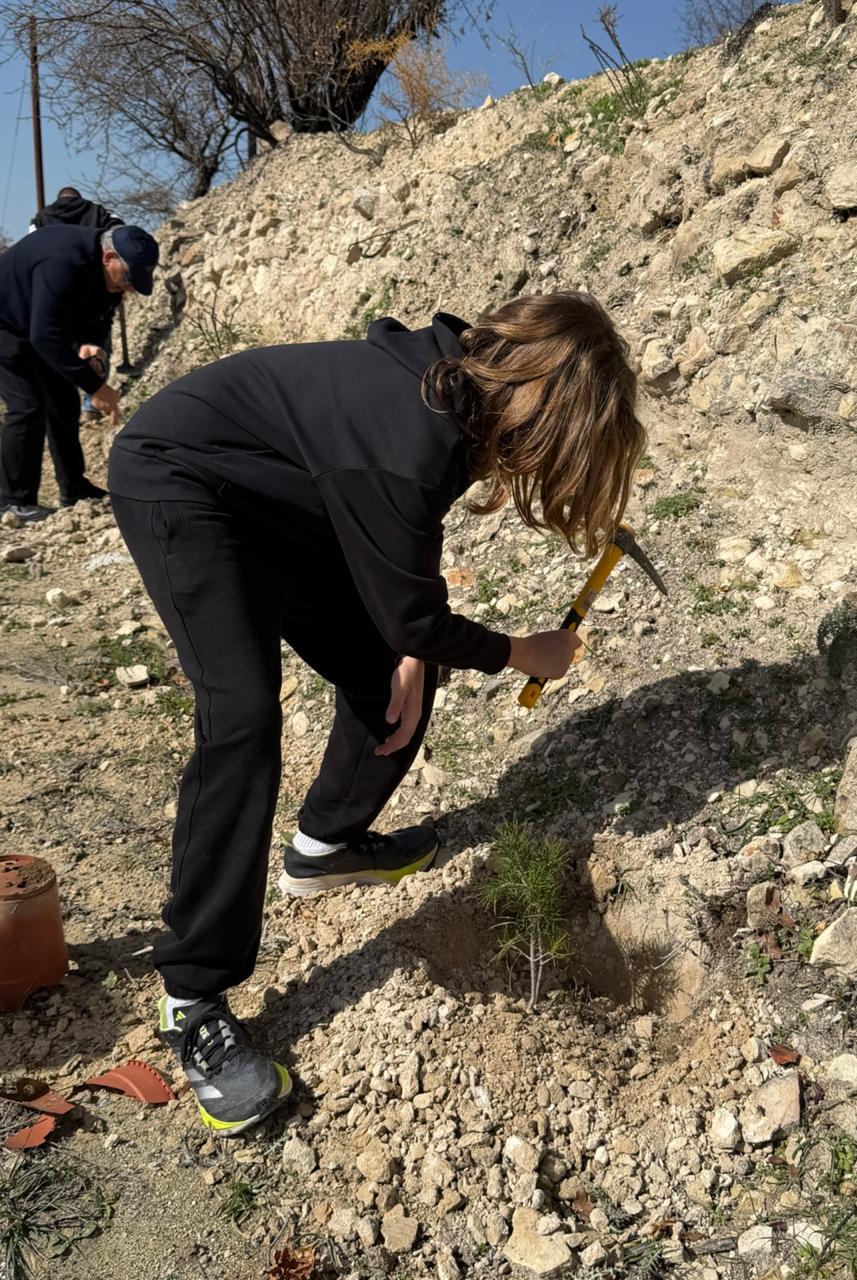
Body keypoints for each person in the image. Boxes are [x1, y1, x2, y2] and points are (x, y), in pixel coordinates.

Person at [107, 291, 646, 1136]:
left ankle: (325, 846)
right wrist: (520, 652)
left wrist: (408, 636)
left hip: (287, 494)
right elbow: (409, 580)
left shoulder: (457, 400)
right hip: (181, 478)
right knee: (242, 718)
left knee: (395, 672)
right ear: (540, 410)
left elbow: (403, 581)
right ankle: (192, 997)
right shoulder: (412, 438)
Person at [0, 223, 158, 521]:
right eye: (128, 278)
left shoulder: (110, 277)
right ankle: (13, 501)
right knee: (28, 404)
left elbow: (100, 317)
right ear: (108, 258)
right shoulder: (62, 262)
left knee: (64, 400)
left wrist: (90, 344)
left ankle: (73, 488)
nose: (129, 288)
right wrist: (96, 387)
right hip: (5, 324)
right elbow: (44, 335)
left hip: (34, 325)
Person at [30, 187, 125, 423]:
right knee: (97, 346)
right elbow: (119, 231)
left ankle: (66, 397)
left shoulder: (42, 217)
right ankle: (91, 403)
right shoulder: (98, 211)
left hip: (55, 292)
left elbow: (30, 243)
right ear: (79, 198)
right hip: (95, 289)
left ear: (59, 199)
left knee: (61, 346)